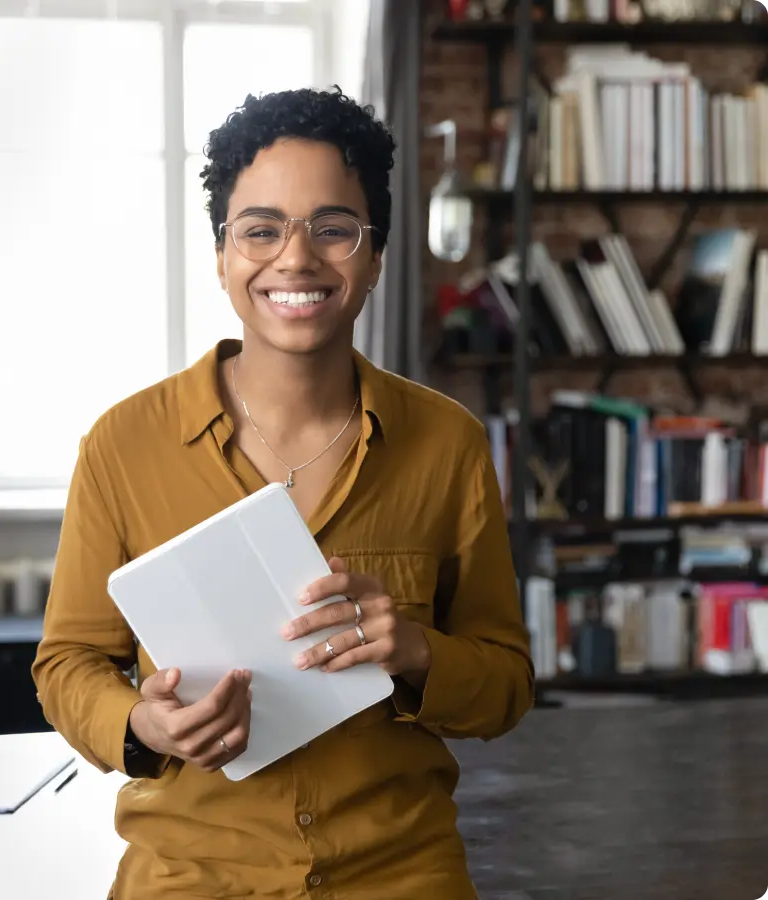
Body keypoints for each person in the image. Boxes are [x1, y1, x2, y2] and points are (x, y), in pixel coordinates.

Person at [32, 86, 534, 899]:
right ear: (223, 255)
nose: (294, 260)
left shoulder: (449, 444)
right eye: (260, 230)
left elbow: (507, 683)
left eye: (333, 229)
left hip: (400, 873)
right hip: (190, 874)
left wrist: (412, 651)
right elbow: (68, 663)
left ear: (375, 257)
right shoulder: (122, 445)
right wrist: (140, 724)